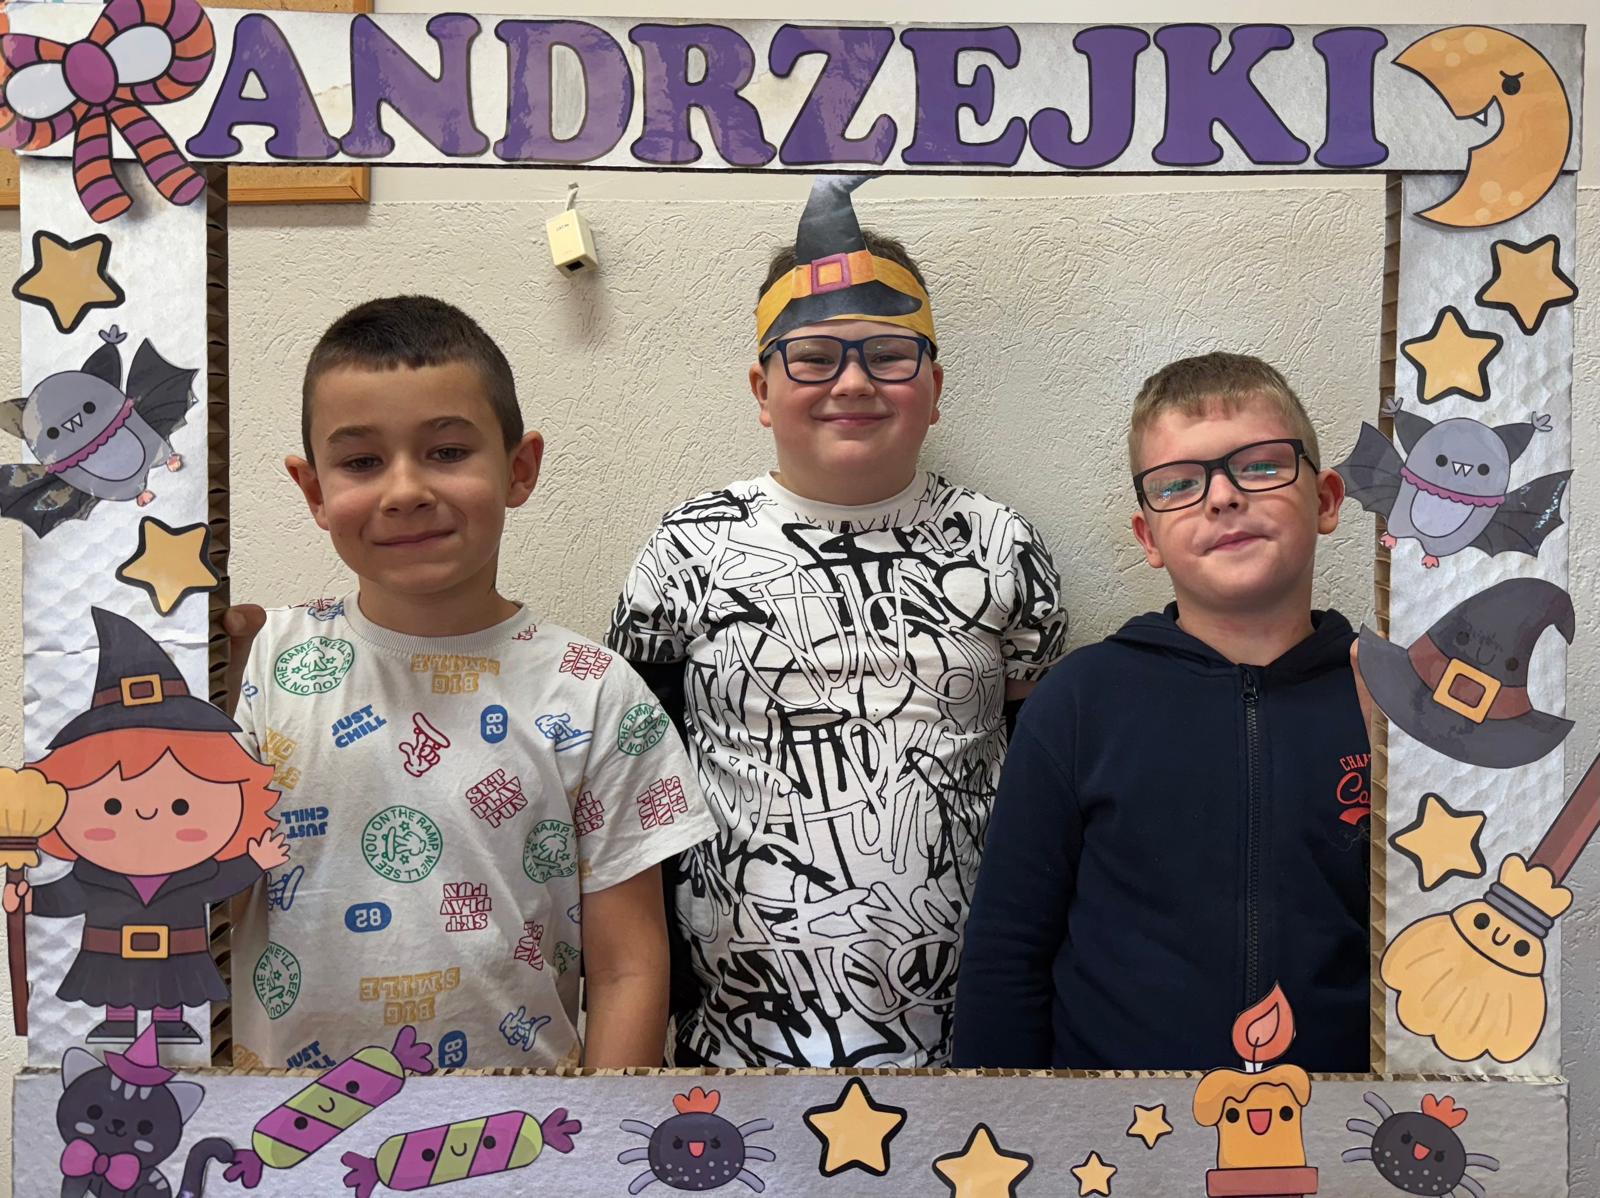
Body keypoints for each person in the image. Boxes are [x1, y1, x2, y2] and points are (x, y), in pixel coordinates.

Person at [606, 176, 1070, 1068]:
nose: (852, 381)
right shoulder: (687, 549)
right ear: (762, 387)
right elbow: (636, 793)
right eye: (814, 357)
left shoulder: (1003, 547)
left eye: (889, 355)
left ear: (934, 386)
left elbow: (1040, 785)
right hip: (736, 1043)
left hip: (964, 1042)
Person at [228, 295, 715, 1069]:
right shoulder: (257, 667)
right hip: (280, 1127)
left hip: (524, 1131)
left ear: (519, 469)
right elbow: (183, 898)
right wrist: (190, 711)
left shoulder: (594, 693)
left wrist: (599, 1139)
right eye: (361, 462)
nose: (404, 491)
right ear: (313, 490)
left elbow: (627, 970)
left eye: (447, 451)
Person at [952, 352, 1370, 1072]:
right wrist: (996, 1126)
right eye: (1179, 484)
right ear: (1148, 537)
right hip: (1110, 1130)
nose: (1223, 497)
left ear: (1327, 500)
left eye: (1261, 466)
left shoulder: (1387, 700)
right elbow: (1006, 951)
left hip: (1343, 1122)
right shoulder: (1080, 702)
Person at [5, 609, 286, 1045]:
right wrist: (29, 899)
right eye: (112, 805)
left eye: (180, 805)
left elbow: (223, 881)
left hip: (180, 948)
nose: (147, 816)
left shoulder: (200, 871)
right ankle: (117, 1022)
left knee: (172, 988)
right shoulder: (91, 874)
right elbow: (66, 896)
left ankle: (169, 1022)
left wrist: (254, 861)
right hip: (109, 949)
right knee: (114, 987)